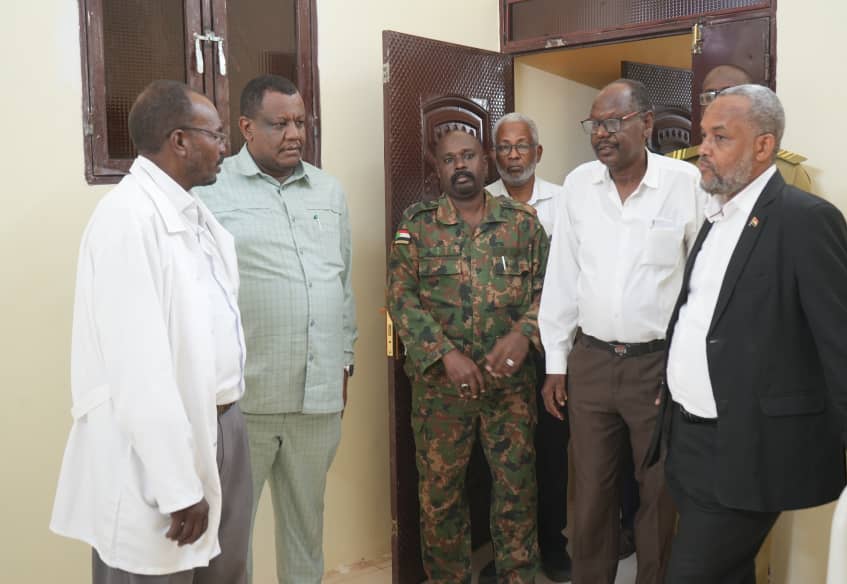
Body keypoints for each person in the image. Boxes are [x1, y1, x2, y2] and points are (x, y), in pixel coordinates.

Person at [655, 84, 847, 584]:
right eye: (703, 136)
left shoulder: (805, 220)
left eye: (719, 137)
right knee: (729, 573)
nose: (703, 149)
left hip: (747, 447)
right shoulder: (717, 216)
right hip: (688, 440)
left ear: (762, 145)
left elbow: (841, 339)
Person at [50, 80, 252, 584]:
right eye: (216, 134)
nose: (225, 146)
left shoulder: (193, 213)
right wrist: (177, 485)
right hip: (159, 448)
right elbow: (138, 373)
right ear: (179, 140)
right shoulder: (127, 221)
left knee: (223, 572)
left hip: (223, 425)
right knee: (153, 572)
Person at [539, 79, 704, 584]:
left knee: (658, 491)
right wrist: (555, 363)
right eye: (594, 124)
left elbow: (702, 281)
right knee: (591, 492)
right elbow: (563, 276)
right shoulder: (578, 186)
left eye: (613, 122)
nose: (601, 134)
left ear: (646, 123)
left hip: (656, 366)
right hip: (590, 363)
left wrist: (688, 366)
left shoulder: (684, 184)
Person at [196, 75, 357, 584]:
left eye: (300, 122)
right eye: (279, 123)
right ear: (246, 127)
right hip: (246, 399)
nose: (294, 134)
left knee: (306, 527)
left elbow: (342, 282)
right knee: (230, 535)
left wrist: (345, 360)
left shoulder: (329, 191)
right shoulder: (210, 191)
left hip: (317, 397)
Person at [387, 126, 549, 583]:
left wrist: (523, 334)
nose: (460, 165)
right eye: (448, 159)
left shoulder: (522, 223)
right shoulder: (417, 225)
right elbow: (401, 299)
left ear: (485, 160)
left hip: (509, 389)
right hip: (441, 393)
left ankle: (518, 576)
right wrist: (445, 355)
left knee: (517, 492)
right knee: (440, 497)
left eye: (468, 155)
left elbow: (553, 290)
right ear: (437, 169)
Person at [482, 112, 570, 582]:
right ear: (493, 154)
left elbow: (568, 276)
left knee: (551, 453)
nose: (512, 156)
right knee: (504, 461)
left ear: (537, 152)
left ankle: (553, 546)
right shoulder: (482, 201)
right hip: (499, 352)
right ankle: (507, 553)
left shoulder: (564, 200)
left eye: (521, 146)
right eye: (504, 147)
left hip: (549, 349)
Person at [667, 64, 812, 191]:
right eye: (709, 95)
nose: (718, 102)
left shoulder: (787, 171)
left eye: (730, 93)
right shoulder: (680, 168)